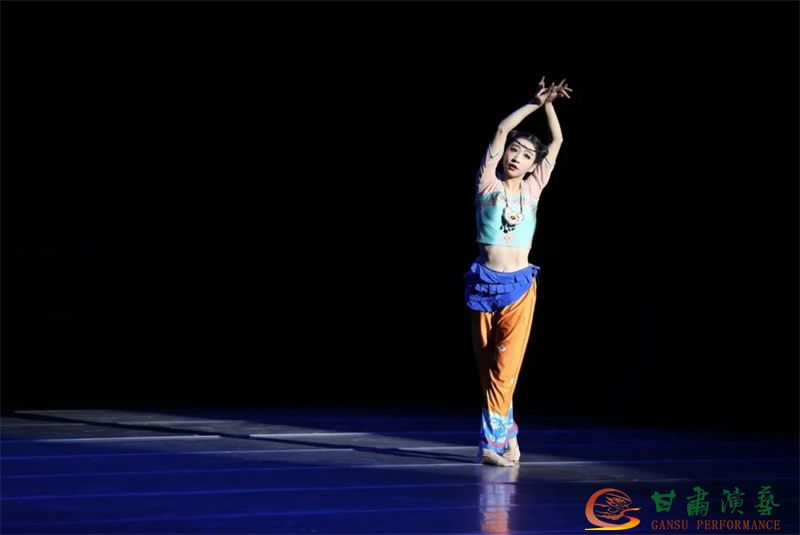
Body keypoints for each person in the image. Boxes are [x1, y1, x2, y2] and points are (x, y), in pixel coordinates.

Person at [465, 77, 572, 467]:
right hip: (482, 284)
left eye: (527, 155)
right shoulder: (487, 184)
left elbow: (557, 141)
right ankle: (508, 432)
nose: (517, 157)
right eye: (514, 149)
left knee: (506, 368)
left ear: (532, 165)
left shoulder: (532, 190)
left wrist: (549, 105)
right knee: (489, 371)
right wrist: (532, 102)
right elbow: (501, 129)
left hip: (519, 287)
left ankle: (490, 444)